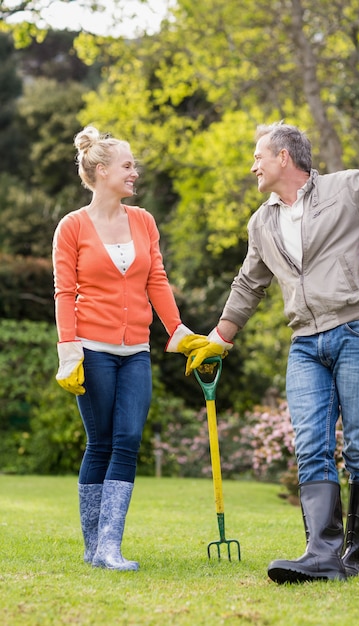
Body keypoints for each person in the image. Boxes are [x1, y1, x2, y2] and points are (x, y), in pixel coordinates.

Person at [189, 122, 359, 584]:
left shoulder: (347, 187)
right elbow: (249, 284)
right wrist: (220, 337)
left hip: (358, 330)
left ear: (284, 159)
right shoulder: (263, 221)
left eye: (259, 156)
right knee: (311, 444)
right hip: (305, 343)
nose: (253, 165)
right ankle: (320, 553)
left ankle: (354, 555)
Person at [52, 126, 207, 571]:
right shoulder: (72, 227)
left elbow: (155, 279)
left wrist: (176, 330)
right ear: (101, 172)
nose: (134, 172)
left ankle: (109, 547)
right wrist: (69, 350)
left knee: (129, 440)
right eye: (127, 165)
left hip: (136, 350)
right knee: (100, 443)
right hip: (92, 349)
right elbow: (65, 293)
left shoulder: (143, 221)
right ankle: (93, 546)